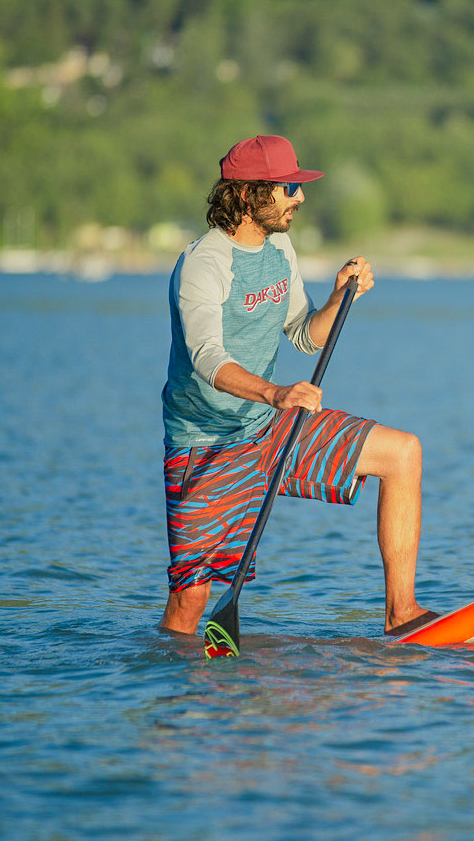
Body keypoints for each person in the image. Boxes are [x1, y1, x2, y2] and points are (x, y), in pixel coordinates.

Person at [157, 134, 437, 640]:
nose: (300, 198)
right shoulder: (204, 264)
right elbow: (206, 359)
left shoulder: (279, 248)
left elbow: (305, 335)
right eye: (288, 188)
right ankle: (178, 689)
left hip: (273, 429)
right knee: (191, 601)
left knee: (403, 453)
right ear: (247, 194)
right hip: (208, 447)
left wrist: (337, 298)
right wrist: (275, 393)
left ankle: (403, 612)